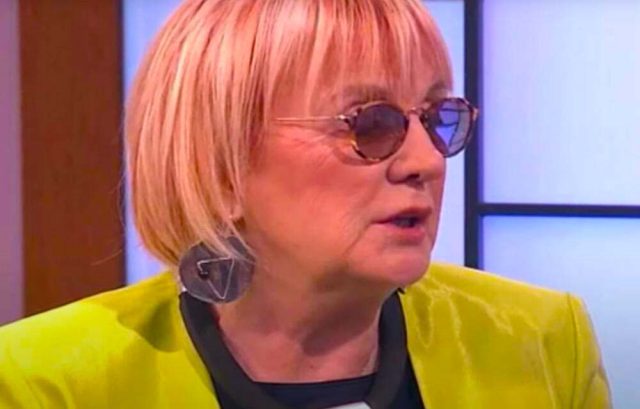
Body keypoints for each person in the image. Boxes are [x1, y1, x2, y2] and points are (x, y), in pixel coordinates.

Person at [0, 0, 611, 408]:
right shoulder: (43, 383)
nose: (426, 161)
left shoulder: (542, 341)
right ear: (221, 164)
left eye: (436, 118)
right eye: (370, 124)